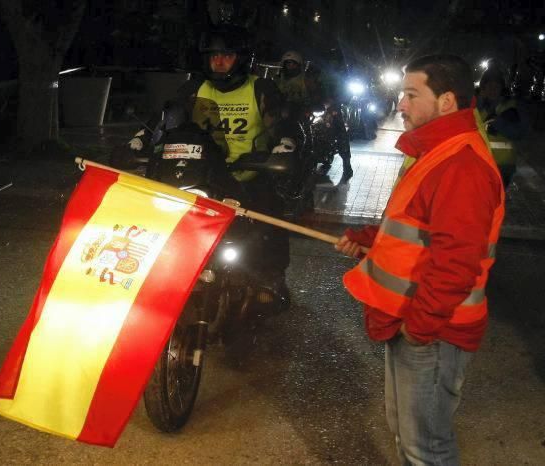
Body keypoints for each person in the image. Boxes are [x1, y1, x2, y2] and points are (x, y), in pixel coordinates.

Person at [335, 54, 505, 465]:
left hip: (433, 331)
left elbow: (456, 264)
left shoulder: (460, 165)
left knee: (426, 447)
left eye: (412, 94)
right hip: (412, 321)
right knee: (408, 434)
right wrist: (368, 239)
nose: (401, 104)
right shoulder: (439, 152)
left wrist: (419, 329)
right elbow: (415, 227)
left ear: (447, 101)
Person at [119, 24, 301, 309]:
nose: (218, 61)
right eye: (213, 55)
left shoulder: (260, 88)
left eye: (226, 55)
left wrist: (284, 145)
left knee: (270, 214)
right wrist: (141, 139)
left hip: (245, 174)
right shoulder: (194, 88)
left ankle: (271, 276)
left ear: (240, 58)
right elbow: (164, 118)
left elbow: (282, 123)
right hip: (199, 172)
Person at [275, 50, 354, 180]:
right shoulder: (279, 80)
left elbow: (318, 94)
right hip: (287, 114)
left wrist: (324, 104)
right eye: (287, 64)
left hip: (309, 111)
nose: (290, 66)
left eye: (292, 64)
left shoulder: (309, 79)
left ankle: (347, 164)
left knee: (339, 128)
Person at [476, 62, 527, 189]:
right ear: (483, 87)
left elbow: (519, 133)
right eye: (489, 85)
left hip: (503, 166)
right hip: (478, 162)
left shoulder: (510, 107)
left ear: (502, 87)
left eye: (496, 85)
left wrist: (498, 123)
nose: (493, 89)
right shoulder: (476, 106)